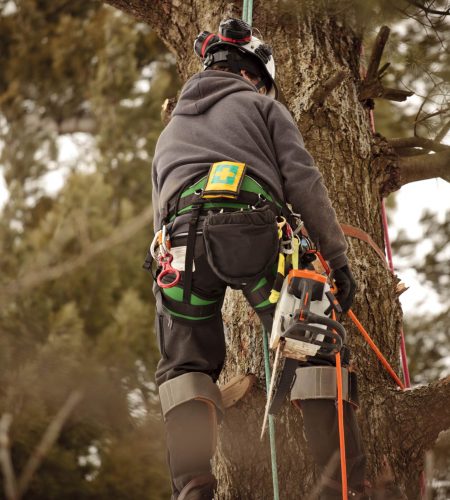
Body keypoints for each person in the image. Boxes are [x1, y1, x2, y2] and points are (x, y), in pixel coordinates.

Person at [149, 18, 366, 500]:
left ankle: (191, 485)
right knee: (312, 347)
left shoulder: (169, 135)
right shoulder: (261, 106)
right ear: (253, 74)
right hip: (254, 229)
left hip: (181, 245)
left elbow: (160, 218)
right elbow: (303, 182)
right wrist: (336, 258)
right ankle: (340, 484)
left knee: (184, 365)